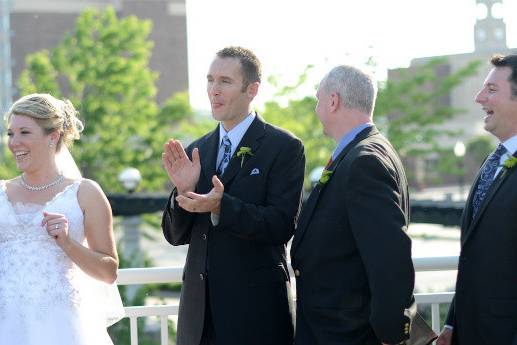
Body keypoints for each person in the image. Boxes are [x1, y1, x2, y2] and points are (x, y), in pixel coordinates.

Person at [161, 46, 305, 345]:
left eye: (225, 81)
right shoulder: (196, 151)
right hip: (198, 320)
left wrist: (221, 207)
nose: (214, 90)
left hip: (255, 317)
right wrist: (183, 190)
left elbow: (281, 225)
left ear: (252, 89)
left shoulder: (283, 147)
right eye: (210, 80)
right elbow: (175, 236)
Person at [290, 65, 415, 345]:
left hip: (348, 333)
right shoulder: (365, 150)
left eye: (318, 100)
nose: (316, 109)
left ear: (333, 101)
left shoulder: (364, 161)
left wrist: (391, 333)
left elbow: (389, 255)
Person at [0, 94, 124, 344]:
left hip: (63, 329)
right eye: (11, 133)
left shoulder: (85, 193)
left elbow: (108, 272)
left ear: (53, 136)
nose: (14, 142)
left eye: (24, 132)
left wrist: (67, 243)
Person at [437, 54, 517, 345]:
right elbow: (474, 255)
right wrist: (452, 323)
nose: (479, 97)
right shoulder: (492, 161)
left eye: (492, 90)